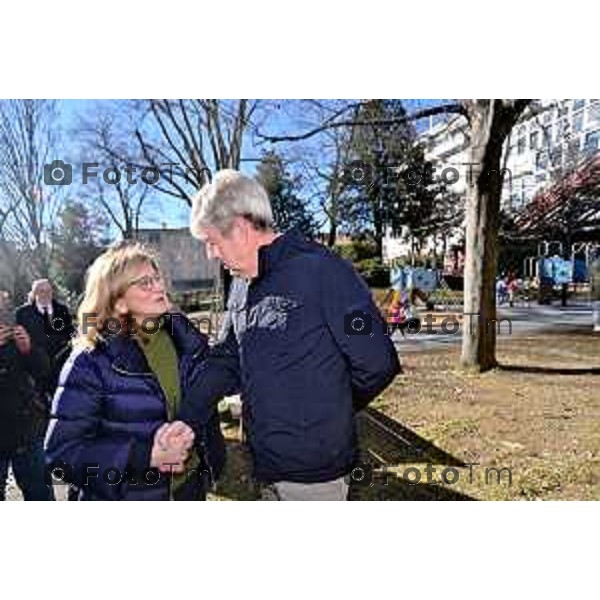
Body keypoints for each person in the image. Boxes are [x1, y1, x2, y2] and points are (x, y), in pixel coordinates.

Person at [179, 169, 401, 501]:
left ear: (240, 229)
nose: (210, 254)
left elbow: (378, 362)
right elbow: (227, 359)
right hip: (263, 464)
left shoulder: (324, 271)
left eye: (212, 241)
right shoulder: (240, 285)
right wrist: (185, 418)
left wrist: (327, 410)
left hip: (314, 476)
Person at [44, 242, 225, 500]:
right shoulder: (91, 360)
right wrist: (145, 456)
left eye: (157, 278)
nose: (160, 287)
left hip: (190, 489)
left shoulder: (187, 341)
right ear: (119, 303)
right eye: (145, 283)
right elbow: (62, 454)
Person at [0, 290, 54, 501]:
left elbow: (42, 369)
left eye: (4, 300)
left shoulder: (18, 323)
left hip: (25, 430)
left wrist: (28, 349)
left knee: (40, 494)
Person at [16, 279, 76, 399]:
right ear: (34, 294)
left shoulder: (62, 310)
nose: (46, 294)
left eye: (49, 291)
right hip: (36, 367)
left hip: (60, 363)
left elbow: (69, 333)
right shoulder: (22, 313)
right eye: (41, 291)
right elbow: (21, 339)